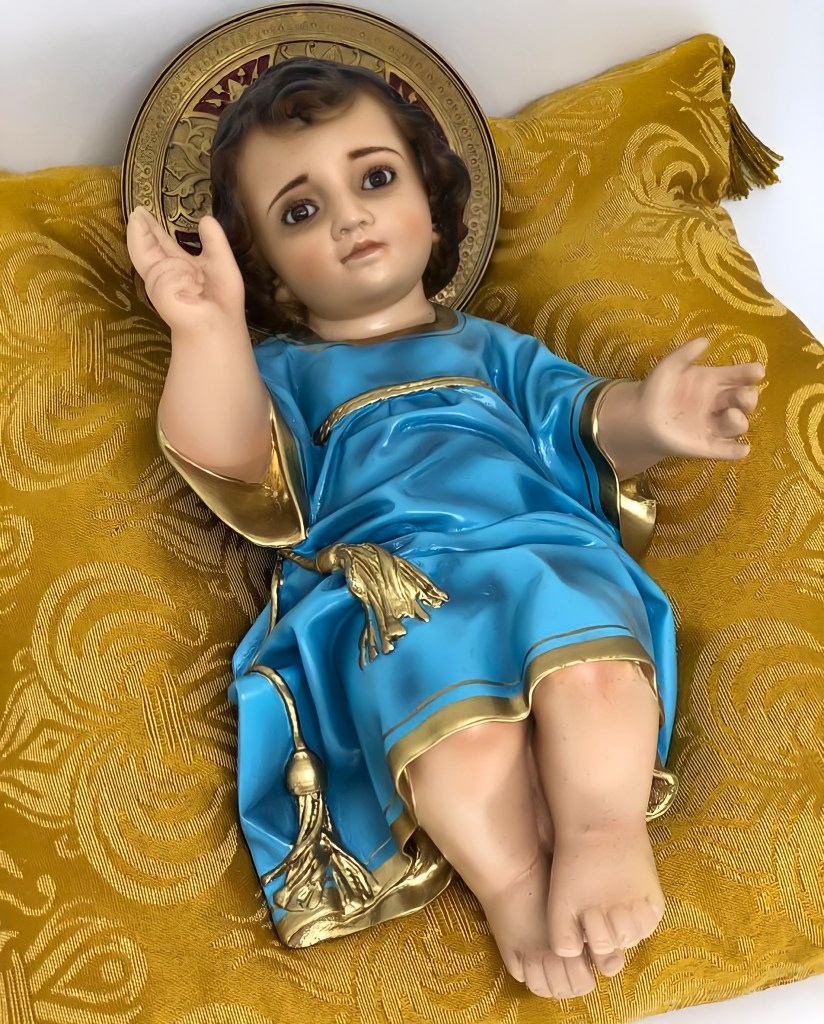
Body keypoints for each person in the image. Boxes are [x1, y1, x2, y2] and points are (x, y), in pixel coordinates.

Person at [126, 58, 764, 1001]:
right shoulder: (287, 375)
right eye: (300, 211)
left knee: (591, 666)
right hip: (393, 586)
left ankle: (602, 830)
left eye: (376, 177)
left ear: (432, 199)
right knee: (453, 737)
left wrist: (651, 420)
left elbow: (576, 420)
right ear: (267, 272)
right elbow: (233, 461)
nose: (349, 218)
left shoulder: (490, 350)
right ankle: (513, 882)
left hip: (536, 546)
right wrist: (207, 332)